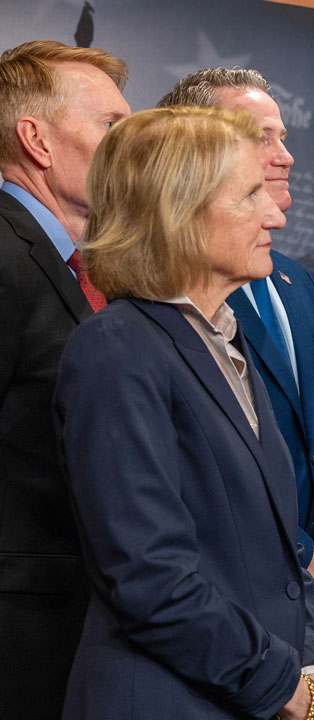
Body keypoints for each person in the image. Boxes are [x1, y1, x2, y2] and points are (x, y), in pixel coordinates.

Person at [53, 105, 314, 719]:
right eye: (249, 196)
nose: (275, 213)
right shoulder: (117, 347)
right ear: (176, 213)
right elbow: (148, 576)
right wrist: (292, 691)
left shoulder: (226, 340)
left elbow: (281, 544)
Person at [156, 68, 314, 616]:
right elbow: (199, 469)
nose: (285, 155)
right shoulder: (172, 290)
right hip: (225, 590)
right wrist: (303, 556)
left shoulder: (295, 282)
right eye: (261, 137)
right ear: (197, 152)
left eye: (284, 137)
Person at [0, 39, 129, 718]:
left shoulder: (93, 266)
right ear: (37, 140)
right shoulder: (4, 252)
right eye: (111, 126)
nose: (128, 145)